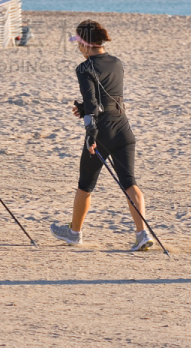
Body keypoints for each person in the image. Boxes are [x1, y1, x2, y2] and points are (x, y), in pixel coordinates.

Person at [50, 20, 153, 252]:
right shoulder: (117, 62)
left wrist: (90, 133)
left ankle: (74, 233)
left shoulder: (84, 68)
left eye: (78, 43)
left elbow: (93, 103)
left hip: (102, 133)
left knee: (85, 185)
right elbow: (108, 99)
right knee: (130, 183)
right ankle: (142, 234)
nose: (78, 48)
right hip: (124, 129)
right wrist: (85, 109)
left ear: (85, 44)